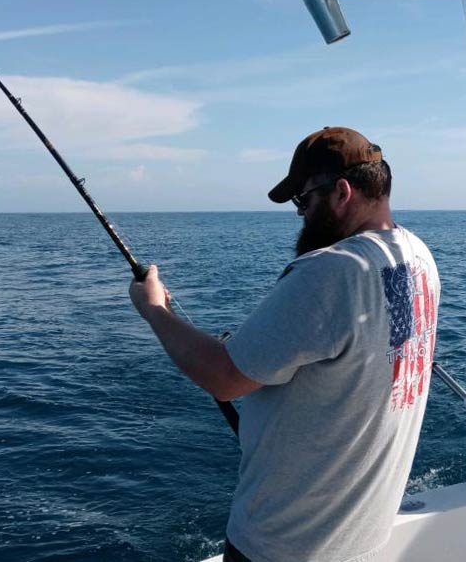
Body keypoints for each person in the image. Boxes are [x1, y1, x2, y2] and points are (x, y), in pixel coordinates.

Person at [129, 126, 440, 562]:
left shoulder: (333, 270)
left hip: (286, 546)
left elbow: (224, 378)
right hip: (363, 542)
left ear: (342, 192)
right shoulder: (418, 257)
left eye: (304, 200)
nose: (301, 214)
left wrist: (154, 310)